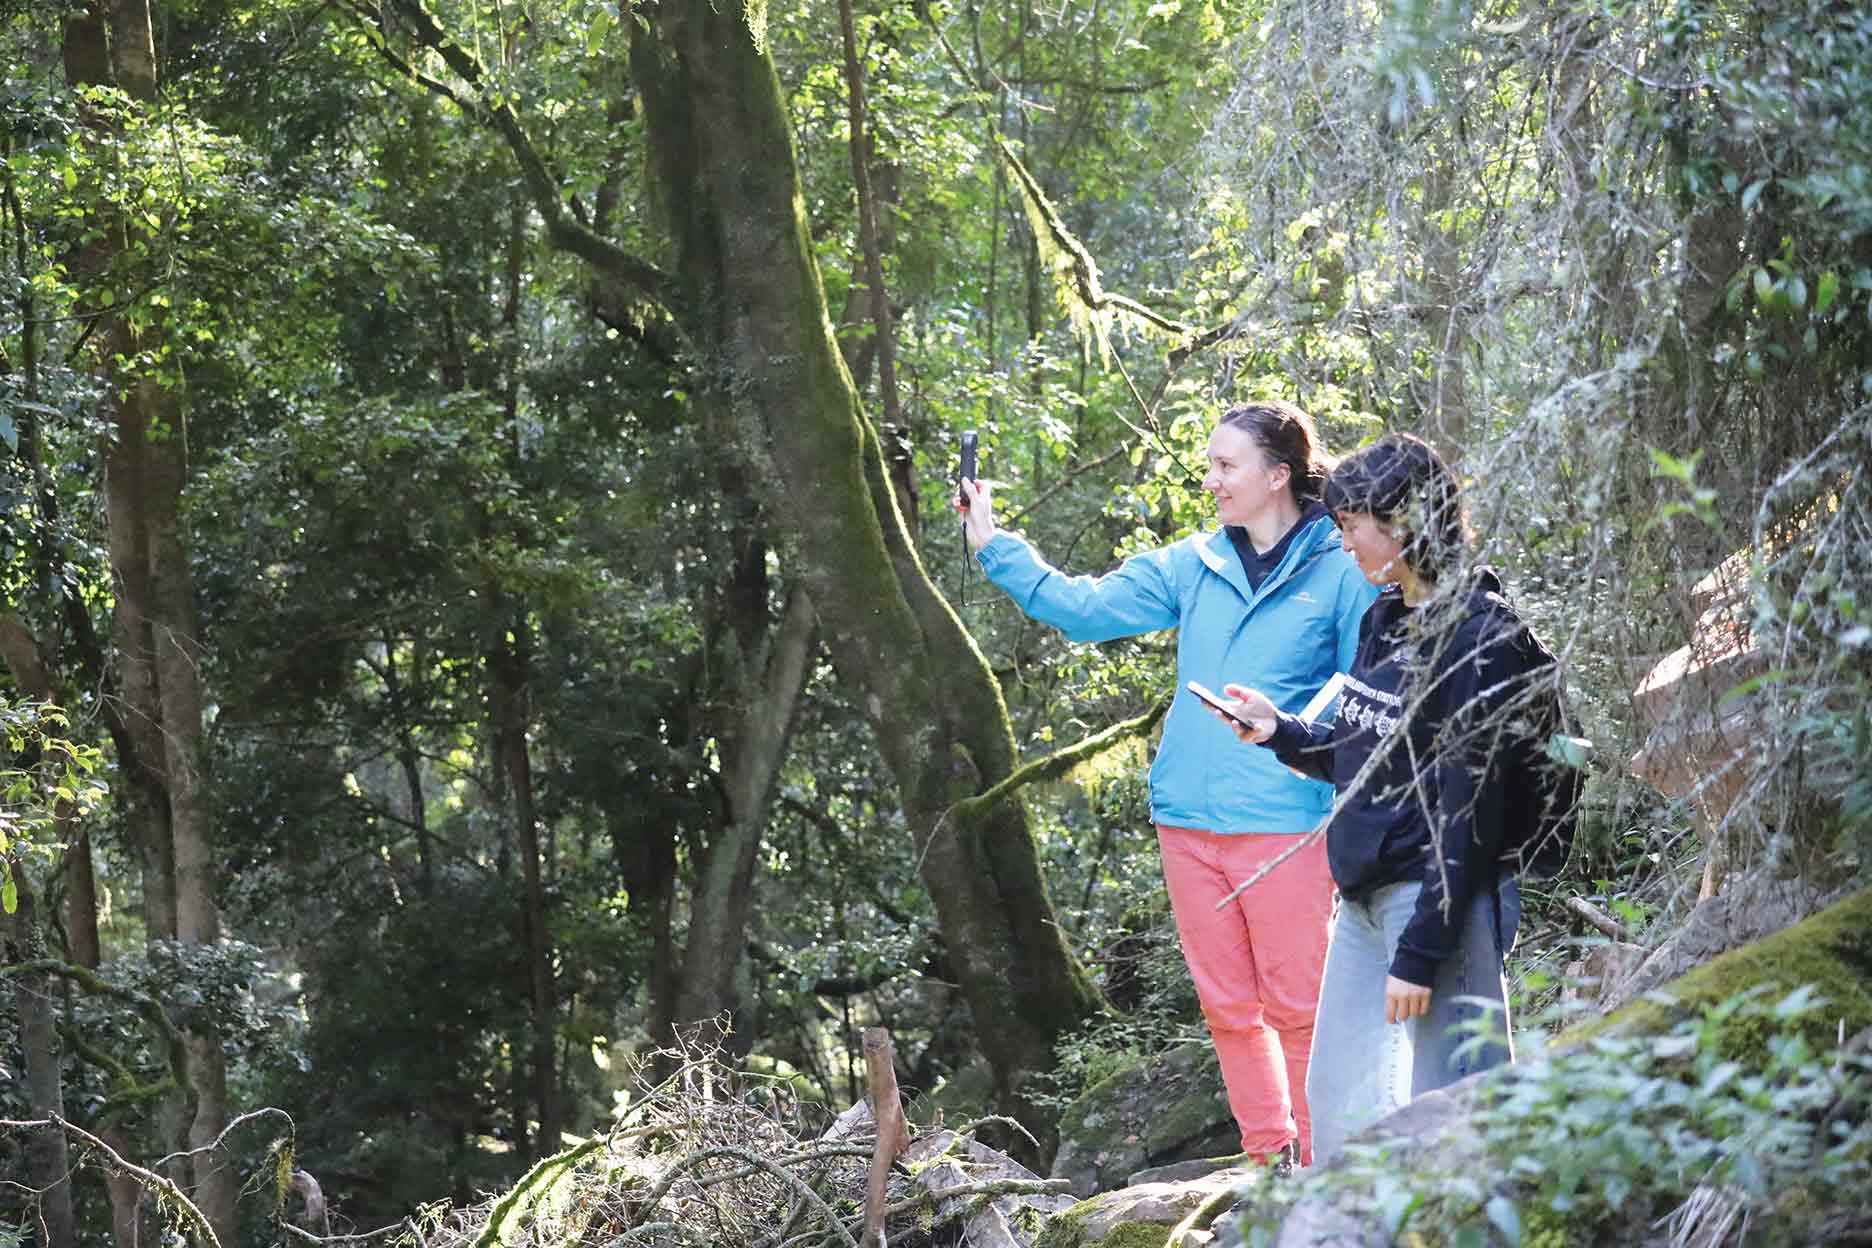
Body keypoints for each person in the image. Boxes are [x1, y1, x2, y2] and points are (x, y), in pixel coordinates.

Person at [958, 401, 1377, 1168]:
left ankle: (1325, 1169)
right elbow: (1085, 609)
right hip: (1187, 820)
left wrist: (1295, 730)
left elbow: (1365, 692)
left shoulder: (1340, 569)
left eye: (1226, 466)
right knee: (1227, 1009)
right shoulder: (1194, 562)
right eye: (1210, 464)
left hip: (1285, 819)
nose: (1211, 479)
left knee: (1299, 1007)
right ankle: (1268, 1159)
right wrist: (994, 546)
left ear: (1277, 475)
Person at [1207, 432, 1535, 1164]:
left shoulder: (1480, 637)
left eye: (1353, 525)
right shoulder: (1385, 620)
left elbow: (1471, 814)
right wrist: (1280, 731)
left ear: (1404, 521)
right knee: (1338, 1104)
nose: (1343, 541)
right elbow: (1362, 757)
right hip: (1362, 899)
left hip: (1437, 901)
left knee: (1454, 1107)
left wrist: (1421, 953)